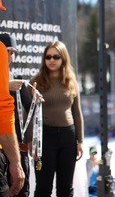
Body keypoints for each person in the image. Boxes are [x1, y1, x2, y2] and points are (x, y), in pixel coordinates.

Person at [29, 40, 84, 196]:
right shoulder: (36, 81)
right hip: (45, 137)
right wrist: (31, 141)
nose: (52, 60)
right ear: (44, 59)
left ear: (63, 58)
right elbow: (29, 113)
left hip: (68, 136)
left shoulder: (71, 81)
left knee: (66, 187)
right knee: (43, 187)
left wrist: (80, 140)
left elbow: (77, 112)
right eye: (48, 57)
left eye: (56, 56)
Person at [0, 33, 32, 197]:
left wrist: (37, 100)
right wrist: (6, 86)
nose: (11, 55)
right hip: (3, 147)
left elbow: (29, 107)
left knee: (22, 191)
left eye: (13, 52)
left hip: (17, 145)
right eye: (8, 51)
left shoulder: (18, 80)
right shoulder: (9, 81)